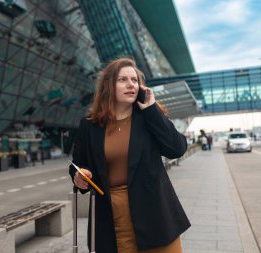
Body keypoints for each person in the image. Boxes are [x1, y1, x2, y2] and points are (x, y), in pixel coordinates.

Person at [69, 57, 190, 253]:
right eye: (123, 79)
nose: (130, 84)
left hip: (154, 213)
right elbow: (78, 163)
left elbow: (176, 149)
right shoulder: (89, 126)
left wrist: (151, 109)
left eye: (134, 80)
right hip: (109, 215)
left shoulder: (148, 117)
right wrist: (80, 175)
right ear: (109, 85)